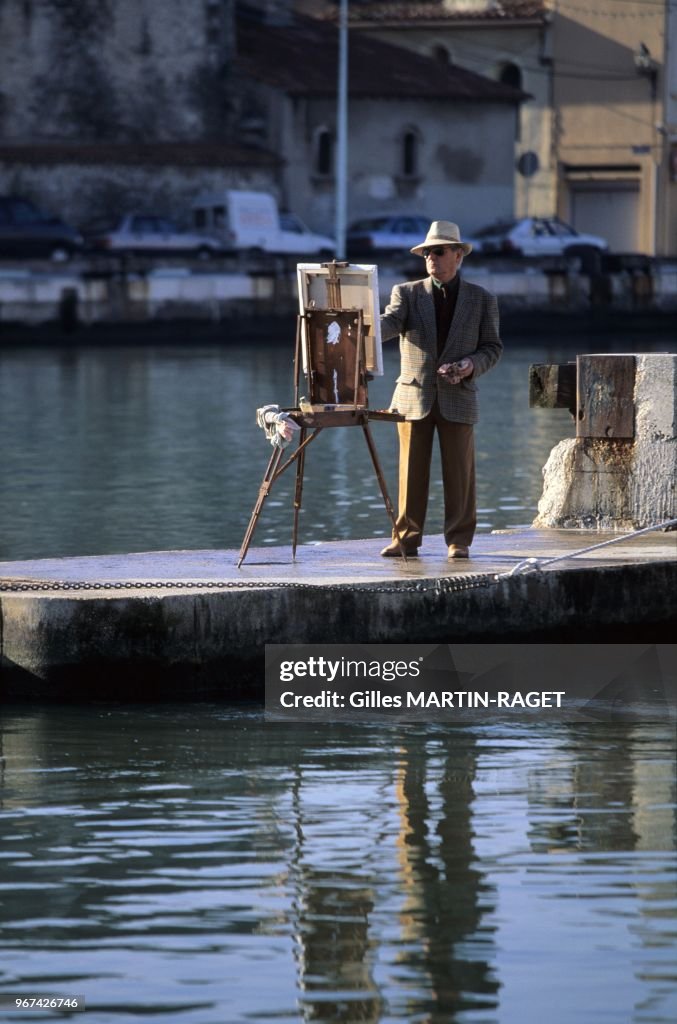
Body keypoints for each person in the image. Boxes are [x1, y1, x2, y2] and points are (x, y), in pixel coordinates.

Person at [379, 220, 502, 559]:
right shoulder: (406, 293)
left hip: (459, 397)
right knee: (410, 474)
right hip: (413, 397)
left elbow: (492, 347)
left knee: (460, 475)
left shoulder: (482, 299)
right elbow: (390, 323)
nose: (431, 258)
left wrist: (470, 366)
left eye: (438, 251)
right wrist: (363, 325)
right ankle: (405, 539)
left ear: (458, 255)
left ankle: (458, 541)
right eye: (426, 253)